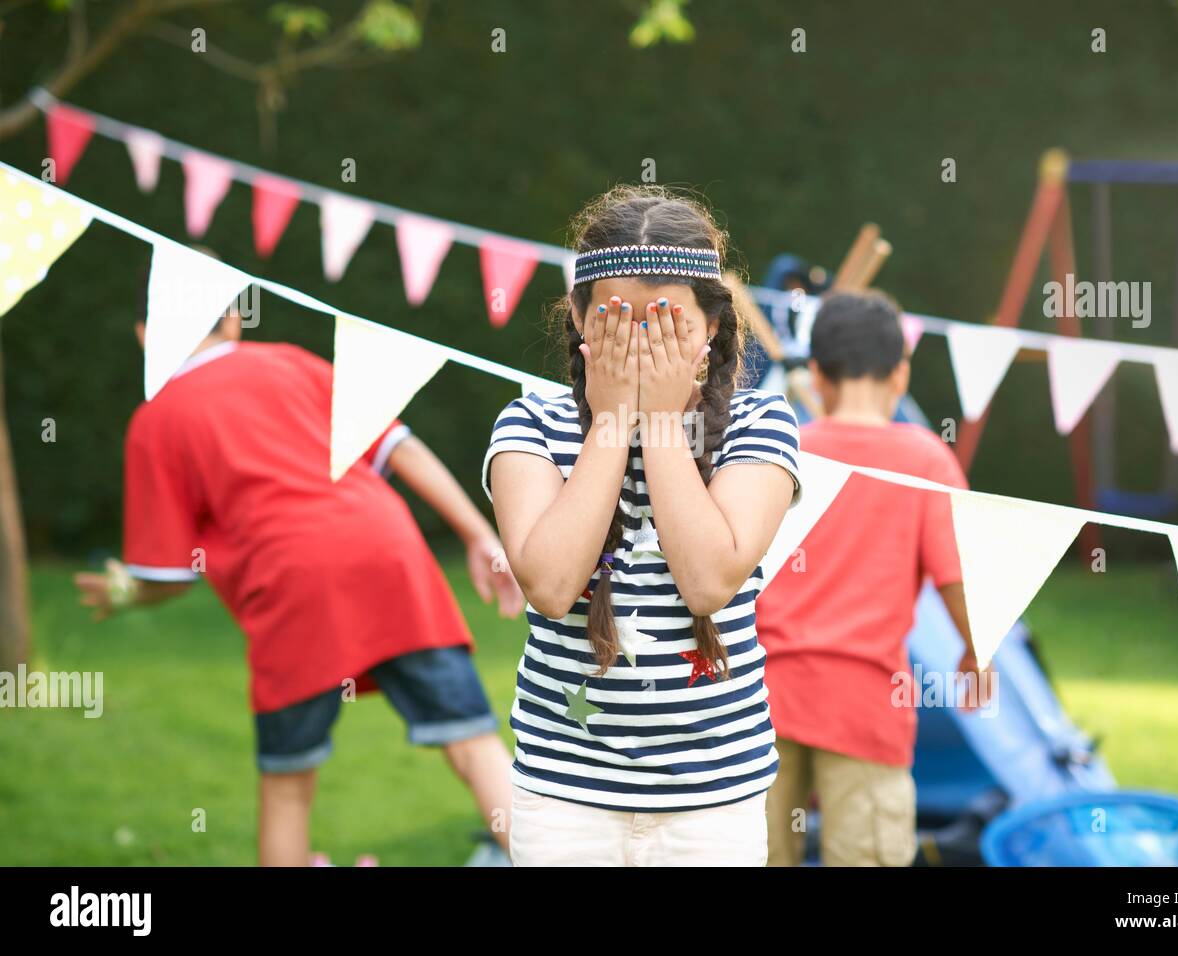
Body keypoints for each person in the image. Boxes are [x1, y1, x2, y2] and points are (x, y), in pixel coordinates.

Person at [75, 258, 524, 866]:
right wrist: (479, 534)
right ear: (234, 321)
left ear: (144, 335)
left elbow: (169, 575)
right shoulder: (290, 359)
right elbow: (399, 445)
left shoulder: (155, 422)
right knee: (473, 743)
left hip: (290, 587)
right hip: (388, 554)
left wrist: (127, 592)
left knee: (287, 788)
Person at [484, 185, 801, 866]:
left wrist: (659, 421)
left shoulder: (761, 425)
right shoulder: (531, 424)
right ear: (577, 316)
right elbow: (550, 583)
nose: (640, 344)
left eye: (667, 323)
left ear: (713, 324)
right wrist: (610, 424)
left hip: (714, 801)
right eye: (617, 321)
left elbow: (709, 581)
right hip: (563, 797)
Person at [755, 289, 981, 867]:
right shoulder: (928, 459)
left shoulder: (784, 452)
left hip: (761, 699)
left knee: (753, 854)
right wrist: (977, 652)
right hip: (865, 703)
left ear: (817, 377)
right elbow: (957, 574)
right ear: (900, 374)